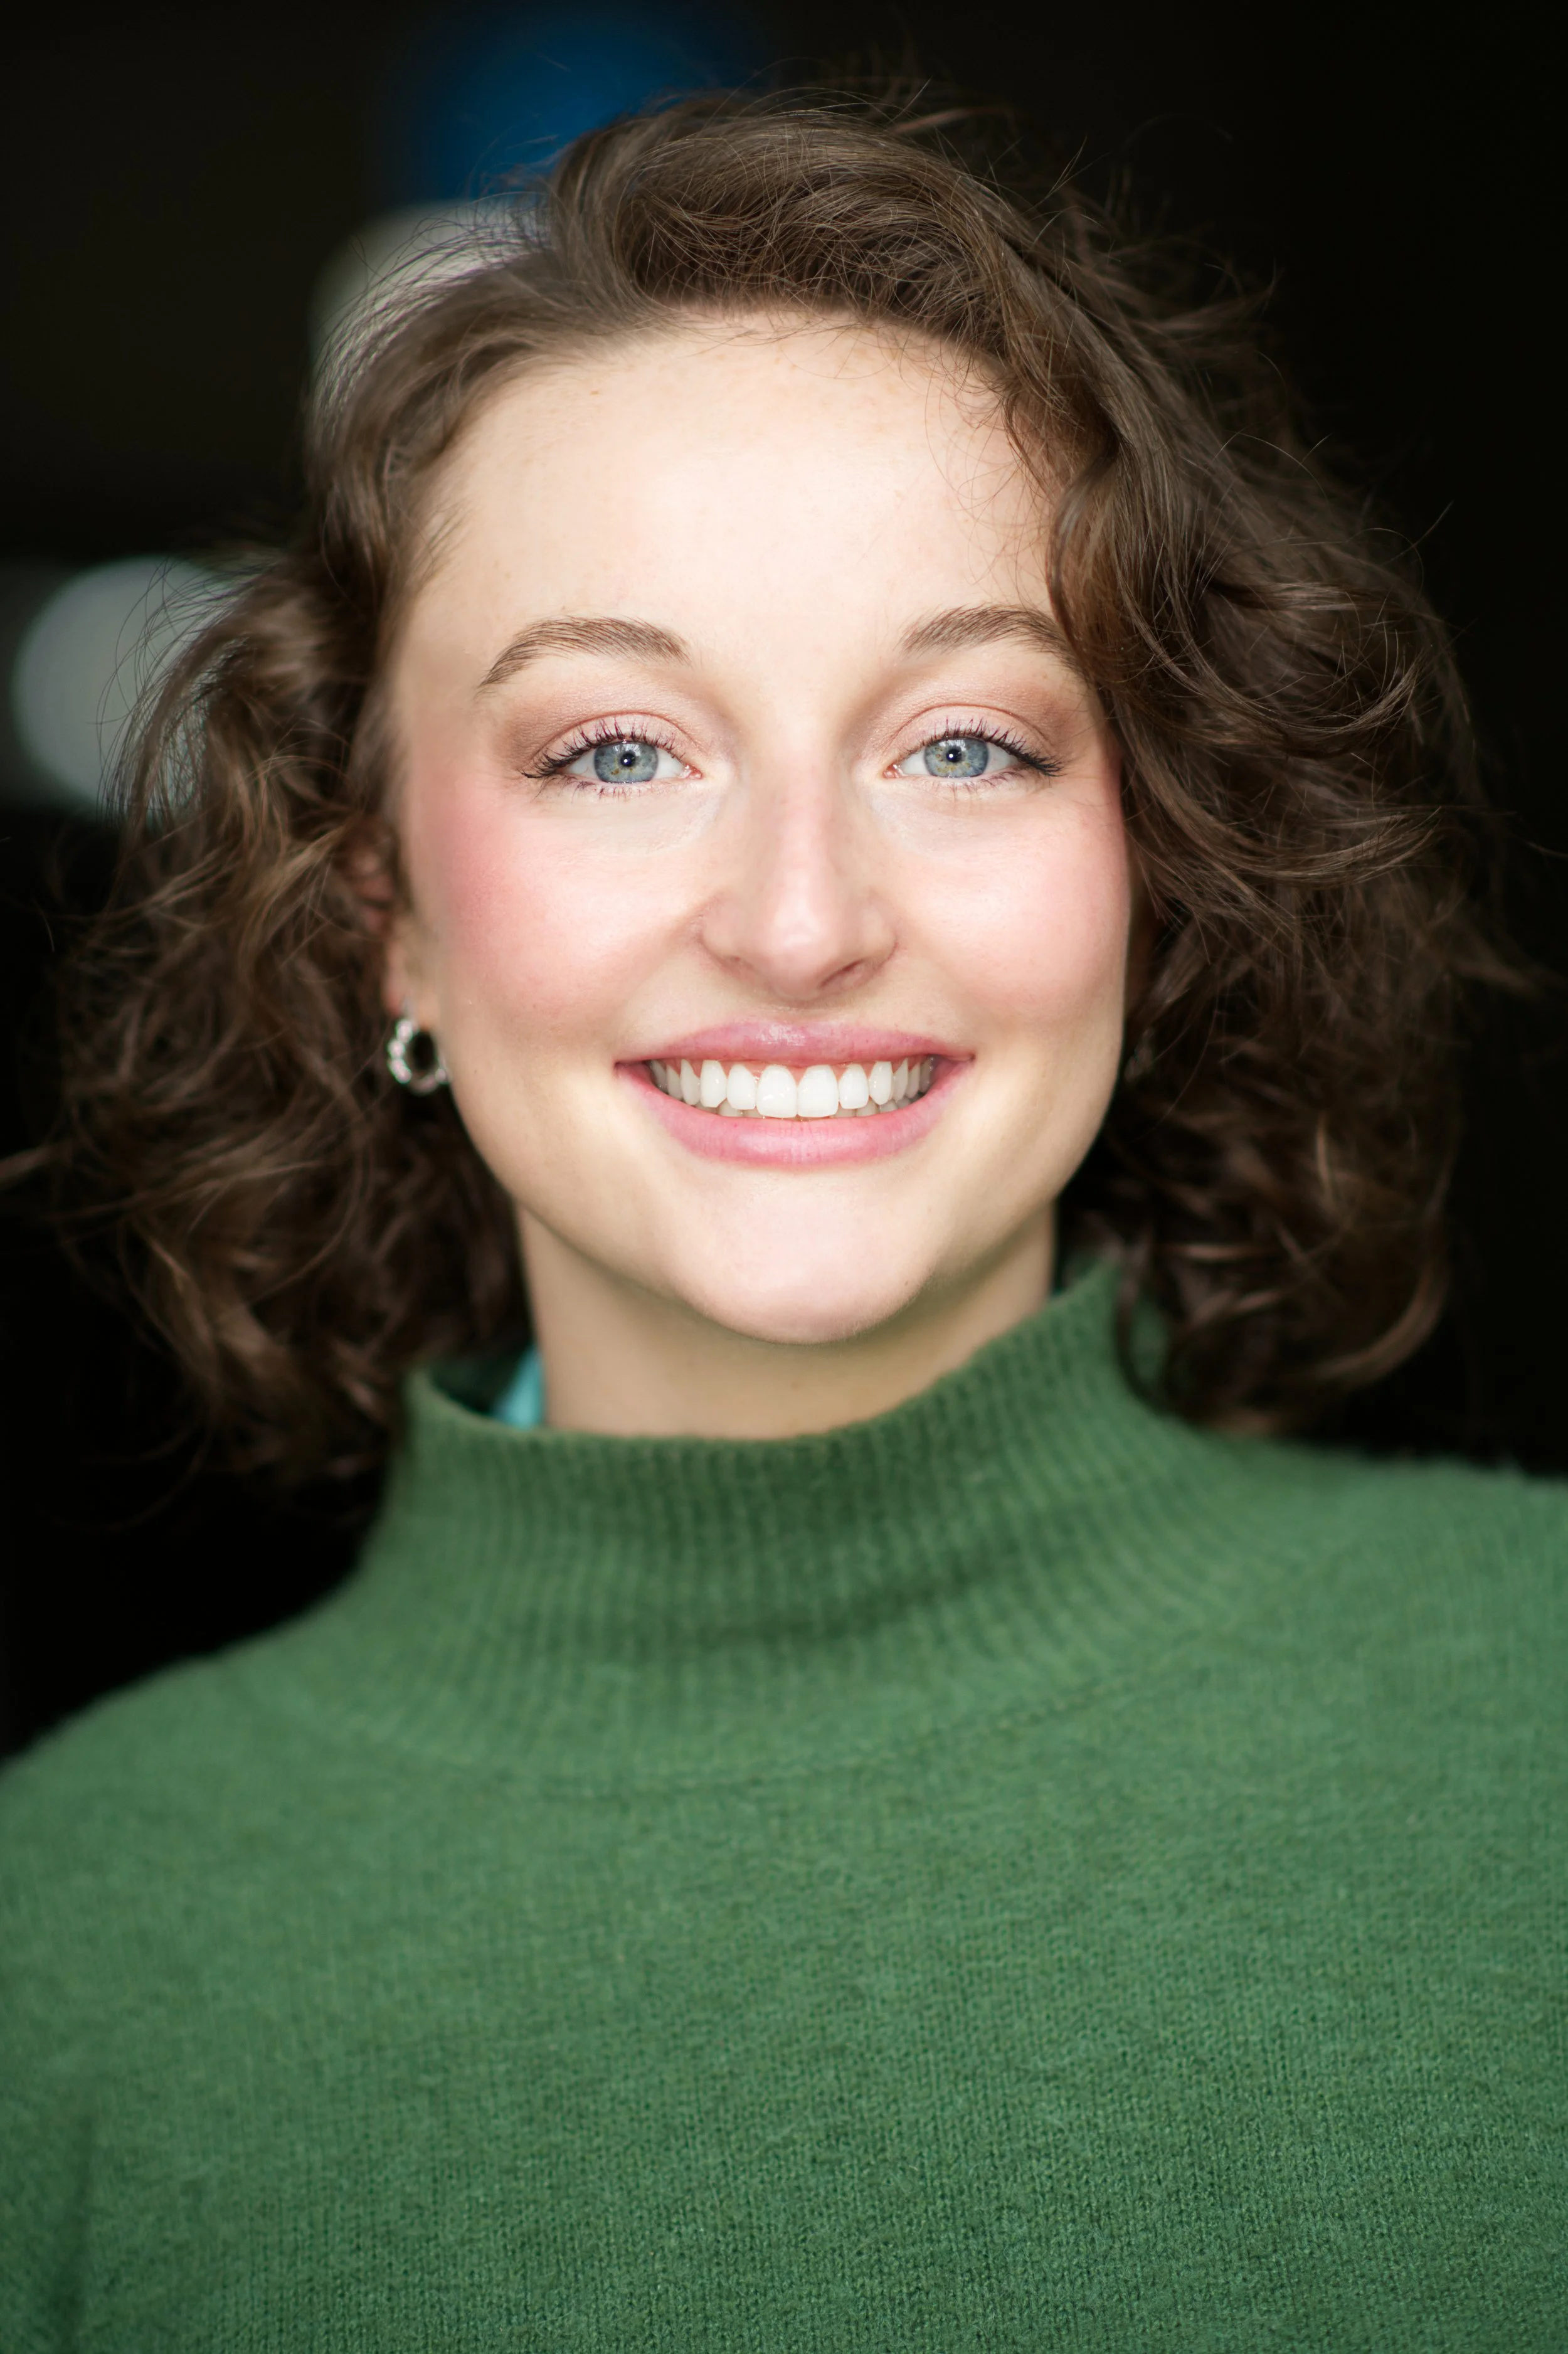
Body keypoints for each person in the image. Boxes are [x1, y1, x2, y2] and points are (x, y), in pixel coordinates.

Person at [2, 87, 1562, 2350]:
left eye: (964, 743)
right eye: (617, 752)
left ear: (1156, 859)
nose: (804, 922)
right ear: (386, 919)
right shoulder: (63, 1954)